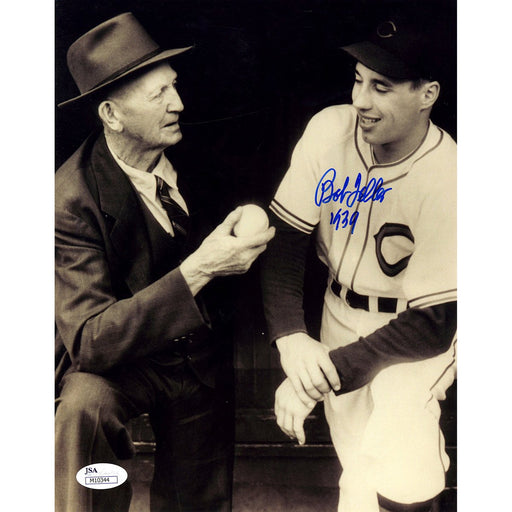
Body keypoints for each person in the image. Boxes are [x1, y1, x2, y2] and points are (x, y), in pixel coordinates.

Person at [55, 12, 275, 512]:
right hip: (121, 363)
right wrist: (200, 268)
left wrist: (252, 212)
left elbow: (252, 188)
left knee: (196, 499)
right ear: (111, 114)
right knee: (84, 409)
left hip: (196, 352)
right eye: (159, 95)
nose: (179, 103)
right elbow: (90, 339)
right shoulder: (69, 200)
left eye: (173, 87)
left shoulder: (190, 145)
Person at [261, 13, 457, 512]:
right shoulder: (330, 130)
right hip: (340, 312)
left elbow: (434, 325)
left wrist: (320, 375)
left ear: (427, 94)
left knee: (399, 428)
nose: (360, 101)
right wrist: (291, 339)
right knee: (359, 466)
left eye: (382, 87)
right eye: (358, 81)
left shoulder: (451, 175)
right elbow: (284, 243)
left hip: (421, 325)